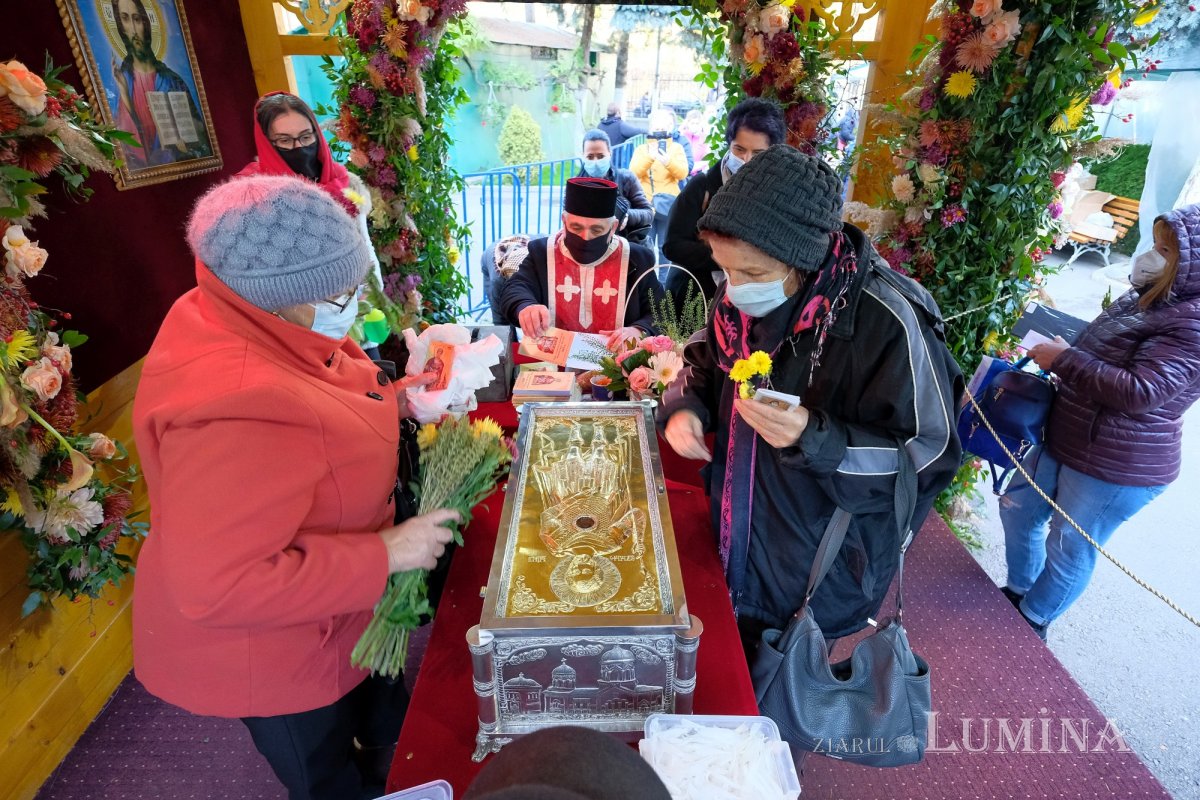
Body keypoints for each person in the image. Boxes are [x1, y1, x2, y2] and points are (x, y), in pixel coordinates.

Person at [132, 174, 459, 800]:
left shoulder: (243, 313)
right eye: (337, 294)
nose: (350, 305)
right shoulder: (233, 408)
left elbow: (324, 377)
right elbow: (221, 585)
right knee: (324, 775)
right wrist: (388, 553)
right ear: (274, 297)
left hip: (339, 613)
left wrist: (393, 398)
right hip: (277, 652)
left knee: (379, 724)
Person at [658, 146, 962, 657]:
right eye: (724, 270)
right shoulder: (738, 295)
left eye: (751, 274)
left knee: (785, 694)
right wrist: (685, 405)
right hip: (734, 529)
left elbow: (929, 456)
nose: (734, 290)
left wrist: (814, 438)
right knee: (725, 675)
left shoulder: (886, 321)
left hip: (819, 565)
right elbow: (704, 359)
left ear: (804, 257)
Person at [999, 206, 1200, 641]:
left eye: (1166, 251)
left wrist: (1066, 360)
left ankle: (1032, 620)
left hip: (1119, 462)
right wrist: (1064, 354)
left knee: (1070, 546)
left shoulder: (1193, 321)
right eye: (1155, 244)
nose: (1150, 255)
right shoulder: (1149, 293)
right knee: (1018, 506)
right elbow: (1107, 351)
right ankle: (1016, 593)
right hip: (1069, 431)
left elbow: (1141, 392)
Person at [239, 92, 383, 295]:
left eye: (306, 137)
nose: (299, 147)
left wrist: (373, 292)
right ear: (266, 143)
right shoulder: (253, 196)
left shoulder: (345, 182)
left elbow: (364, 245)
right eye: (285, 141)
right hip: (298, 309)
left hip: (355, 300)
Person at [500, 177, 660, 350]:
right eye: (576, 228)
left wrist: (639, 330)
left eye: (596, 230)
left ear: (613, 227)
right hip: (553, 362)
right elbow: (515, 287)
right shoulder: (542, 252)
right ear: (564, 221)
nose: (585, 237)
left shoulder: (637, 259)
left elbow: (660, 311)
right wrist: (526, 305)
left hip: (615, 366)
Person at [663, 98, 785, 300]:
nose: (747, 160)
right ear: (729, 144)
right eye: (739, 149)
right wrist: (731, 256)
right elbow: (672, 245)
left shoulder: (777, 193)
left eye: (758, 153)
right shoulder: (702, 186)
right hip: (696, 297)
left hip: (753, 301)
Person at [110, 0, 211, 168]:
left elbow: (201, 143)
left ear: (146, 24)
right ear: (120, 27)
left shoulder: (173, 82)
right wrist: (126, 98)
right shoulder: (122, 84)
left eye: (137, 19)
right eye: (125, 19)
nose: (134, 30)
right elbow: (128, 153)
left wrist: (183, 150)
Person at [629, 110, 690, 261]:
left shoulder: (676, 149)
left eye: (664, 125)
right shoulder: (642, 150)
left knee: (665, 247)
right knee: (645, 246)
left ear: (670, 128)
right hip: (645, 205)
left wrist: (668, 162)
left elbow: (683, 173)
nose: (659, 129)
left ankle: (664, 283)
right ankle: (647, 280)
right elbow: (634, 172)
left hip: (667, 205)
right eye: (656, 125)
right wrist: (650, 158)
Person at [578, 129, 653, 246]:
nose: (595, 161)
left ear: (610, 153)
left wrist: (627, 216)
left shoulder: (625, 178)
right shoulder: (575, 185)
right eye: (590, 156)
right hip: (587, 248)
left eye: (600, 156)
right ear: (583, 156)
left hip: (623, 248)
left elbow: (648, 213)